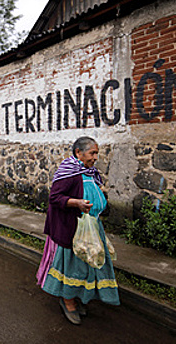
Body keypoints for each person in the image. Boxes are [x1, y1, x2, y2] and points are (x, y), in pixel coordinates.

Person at [36, 136, 119, 325]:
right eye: (92, 153)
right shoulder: (68, 172)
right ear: (78, 153)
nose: (95, 157)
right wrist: (77, 203)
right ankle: (67, 301)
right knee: (71, 267)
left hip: (88, 228)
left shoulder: (89, 172)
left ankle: (77, 296)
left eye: (97, 153)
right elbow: (55, 198)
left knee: (86, 265)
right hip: (70, 229)